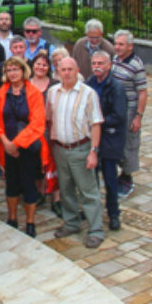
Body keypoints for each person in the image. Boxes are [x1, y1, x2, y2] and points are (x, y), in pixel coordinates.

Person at [46, 57, 105, 249]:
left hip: (81, 148)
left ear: (77, 70)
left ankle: (95, 229)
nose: (66, 73)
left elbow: (95, 123)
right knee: (66, 189)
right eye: (63, 70)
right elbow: (48, 119)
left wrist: (93, 151)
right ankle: (71, 222)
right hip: (60, 149)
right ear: (58, 71)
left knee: (88, 191)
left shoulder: (88, 94)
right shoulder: (53, 93)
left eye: (70, 69)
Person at [0, 57, 46, 237]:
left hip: (27, 148)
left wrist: (16, 143)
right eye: (9, 70)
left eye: (16, 69)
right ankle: (12, 218)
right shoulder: (2, 92)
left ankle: (30, 222)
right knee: (11, 184)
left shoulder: (33, 93)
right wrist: (6, 142)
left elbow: (37, 124)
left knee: (29, 184)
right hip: (7, 147)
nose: (13, 73)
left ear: (23, 71)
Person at [86, 51, 127, 232]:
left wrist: (97, 121)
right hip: (93, 137)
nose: (97, 66)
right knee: (91, 179)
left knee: (110, 179)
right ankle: (93, 211)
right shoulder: (89, 83)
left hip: (110, 138)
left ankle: (113, 213)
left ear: (109, 65)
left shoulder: (116, 87)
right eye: (94, 63)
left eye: (101, 63)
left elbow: (119, 115)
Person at [112, 30, 148, 199]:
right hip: (115, 109)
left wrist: (138, 116)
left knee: (129, 143)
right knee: (116, 142)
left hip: (129, 110)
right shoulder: (115, 60)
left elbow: (142, 92)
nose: (117, 47)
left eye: (121, 44)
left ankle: (127, 178)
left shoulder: (136, 64)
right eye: (116, 43)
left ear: (130, 46)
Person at [29, 51, 61, 218]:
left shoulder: (55, 85)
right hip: (33, 130)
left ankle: (56, 198)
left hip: (51, 129)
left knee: (53, 164)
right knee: (36, 163)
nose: (40, 67)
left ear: (48, 67)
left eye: (44, 64)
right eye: (38, 64)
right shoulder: (26, 84)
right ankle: (40, 191)